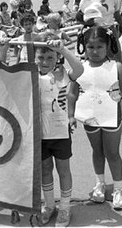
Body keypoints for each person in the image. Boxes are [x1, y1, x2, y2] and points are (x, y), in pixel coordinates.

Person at [70, 26, 122, 211]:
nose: (95, 51)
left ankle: (118, 188)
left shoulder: (117, 67)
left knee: (112, 152)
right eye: (90, 47)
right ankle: (100, 183)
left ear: (108, 46)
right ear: (84, 47)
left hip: (111, 116)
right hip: (90, 117)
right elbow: (72, 93)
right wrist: (70, 115)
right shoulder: (79, 68)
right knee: (97, 150)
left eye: (99, 47)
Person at [34, 31, 84, 227]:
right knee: (45, 170)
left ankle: (64, 207)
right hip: (39, 133)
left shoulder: (63, 73)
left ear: (57, 58)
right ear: (35, 56)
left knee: (64, 170)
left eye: (50, 57)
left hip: (60, 133)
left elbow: (79, 69)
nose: (45, 61)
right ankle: (49, 205)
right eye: (41, 57)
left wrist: (62, 48)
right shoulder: (30, 72)